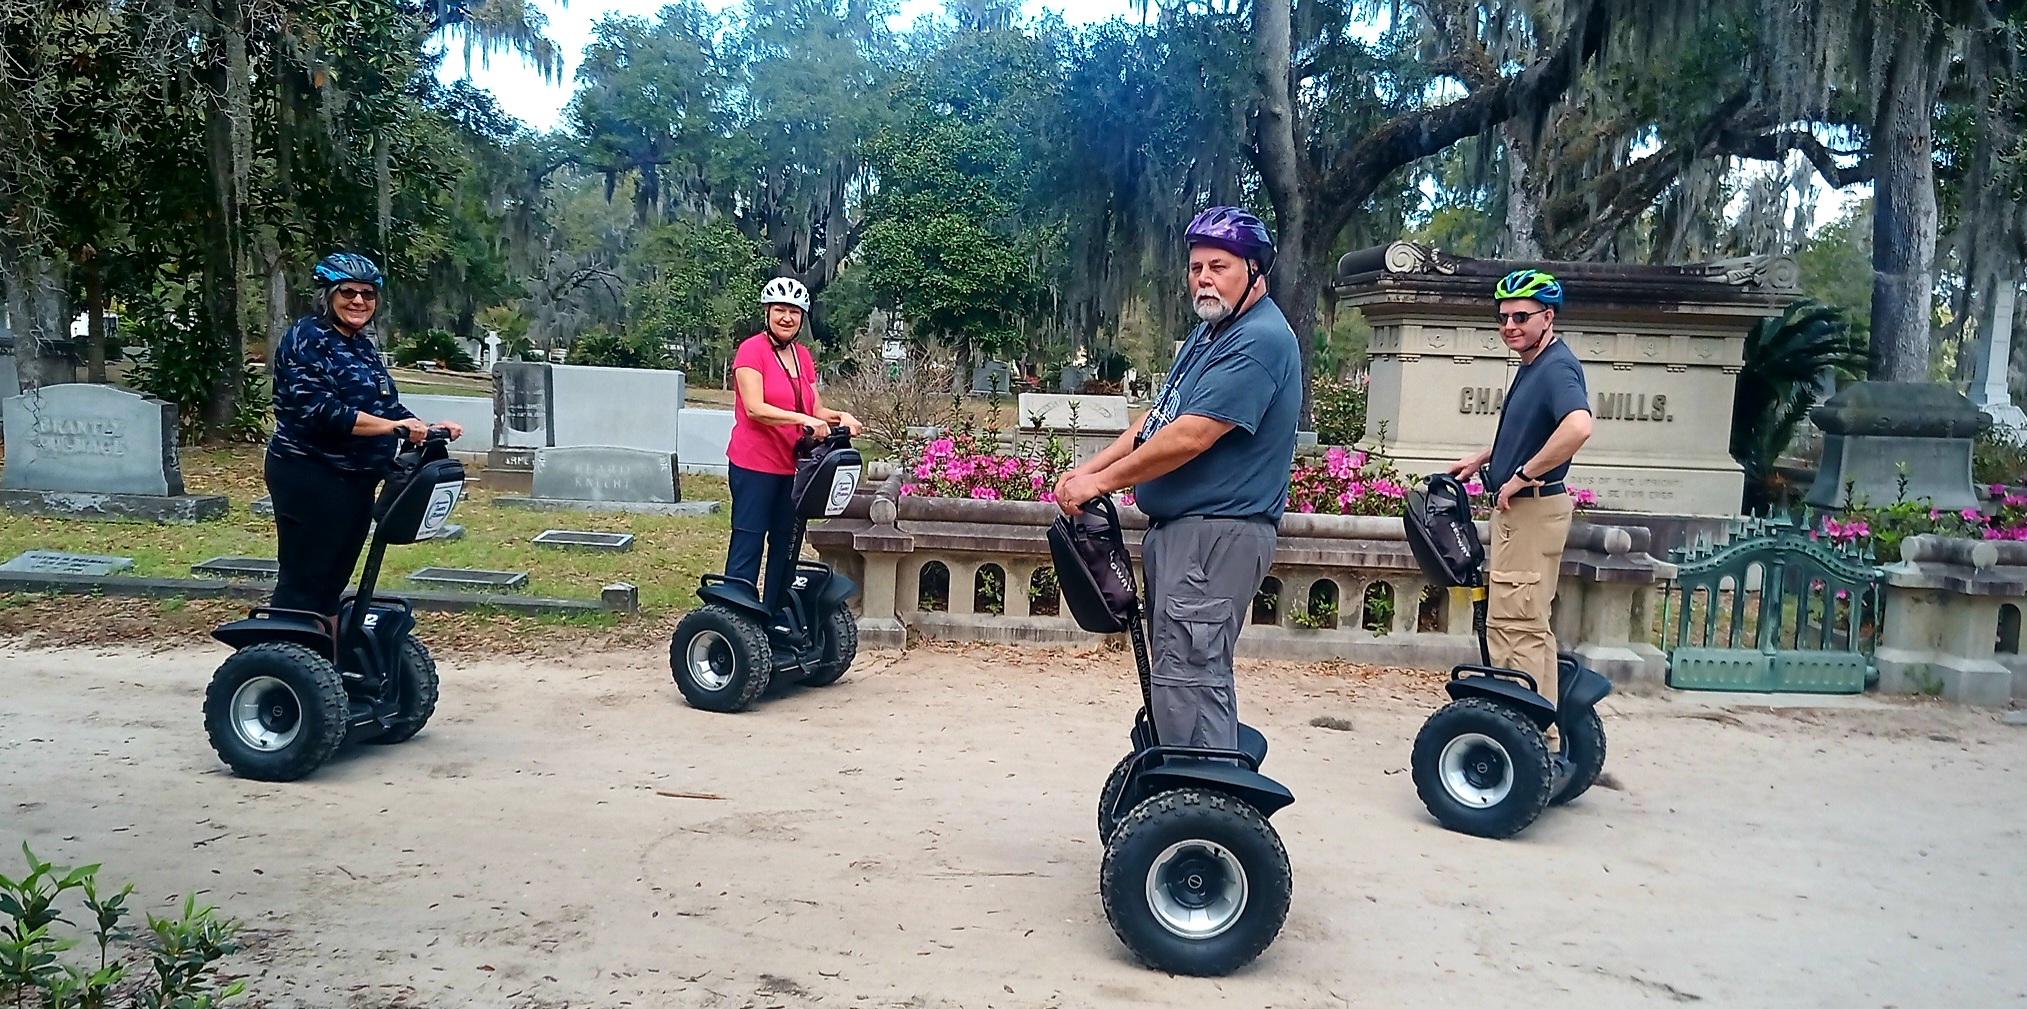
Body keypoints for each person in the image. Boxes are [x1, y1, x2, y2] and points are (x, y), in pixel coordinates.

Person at [1054, 206, 1301, 750]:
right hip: (1186, 532)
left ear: (1255, 271)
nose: (1204, 278)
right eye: (1195, 267)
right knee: (1175, 673)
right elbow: (1159, 418)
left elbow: (1192, 435)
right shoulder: (1209, 335)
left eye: (1219, 265)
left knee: (1191, 675)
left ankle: (1204, 809)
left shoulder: (1260, 339)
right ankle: (1184, 789)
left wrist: (1102, 486)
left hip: (1218, 533)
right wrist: (1090, 468)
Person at [267, 252, 464, 624]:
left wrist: (424, 426)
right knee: (306, 578)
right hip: (311, 473)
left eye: (367, 294)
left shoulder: (360, 344)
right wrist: (394, 428)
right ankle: (281, 660)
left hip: (355, 477)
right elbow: (320, 411)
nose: (359, 301)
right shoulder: (308, 338)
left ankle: (318, 658)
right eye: (348, 292)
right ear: (327, 295)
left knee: (332, 577)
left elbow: (384, 405)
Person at [1446, 268, 1595, 721]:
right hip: (1523, 511)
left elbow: (1578, 426)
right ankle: (1542, 731)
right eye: (1503, 317)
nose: (1509, 325)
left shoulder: (1556, 369)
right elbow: (1532, 430)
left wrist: (1524, 475)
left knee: (1515, 629)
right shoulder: (1535, 366)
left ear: (1547, 317)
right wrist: (1484, 459)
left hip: (1532, 510)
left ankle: (1525, 733)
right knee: (1527, 626)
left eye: (1521, 317)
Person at [726, 276, 861, 618]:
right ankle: (737, 616)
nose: (786, 318)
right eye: (780, 310)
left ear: (802, 318)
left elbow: (813, 409)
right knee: (750, 539)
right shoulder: (751, 351)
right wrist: (802, 421)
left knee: (786, 544)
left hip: (793, 467)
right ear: (767, 312)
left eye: (794, 312)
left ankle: (773, 613)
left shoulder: (802, 356)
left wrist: (839, 416)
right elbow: (755, 407)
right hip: (754, 464)